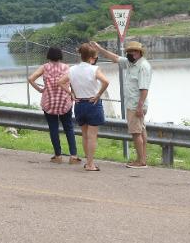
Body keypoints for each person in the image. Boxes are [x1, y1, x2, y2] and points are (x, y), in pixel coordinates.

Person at [91, 38, 152, 168]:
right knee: (140, 130)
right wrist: (100, 49)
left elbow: (144, 89)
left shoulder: (142, 66)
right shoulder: (131, 63)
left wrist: (139, 107)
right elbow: (115, 58)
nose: (130, 54)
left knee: (136, 132)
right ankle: (142, 158)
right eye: (129, 52)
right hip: (134, 103)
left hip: (136, 104)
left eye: (133, 52)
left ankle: (141, 161)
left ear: (140, 53)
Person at [27, 47, 80, 164]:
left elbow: (30, 79)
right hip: (64, 102)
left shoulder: (44, 67)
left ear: (48, 56)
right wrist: (73, 95)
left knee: (53, 128)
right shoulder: (67, 68)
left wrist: (40, 89)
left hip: (49, 101)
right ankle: (73, 156)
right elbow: (73, 84)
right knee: (69, 128)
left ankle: (58, 156)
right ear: (60, 56)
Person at [69, 43, 111, 172]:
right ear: (92, 58)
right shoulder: (94, 69)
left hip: (79, 103)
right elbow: (106, 81)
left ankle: (88, 161)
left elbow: (61, 81)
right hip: (92, 103)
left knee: (84, 135)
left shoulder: (72, 69)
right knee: (92, 136)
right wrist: (98, 94)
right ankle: (90, 164)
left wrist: (71, 93)